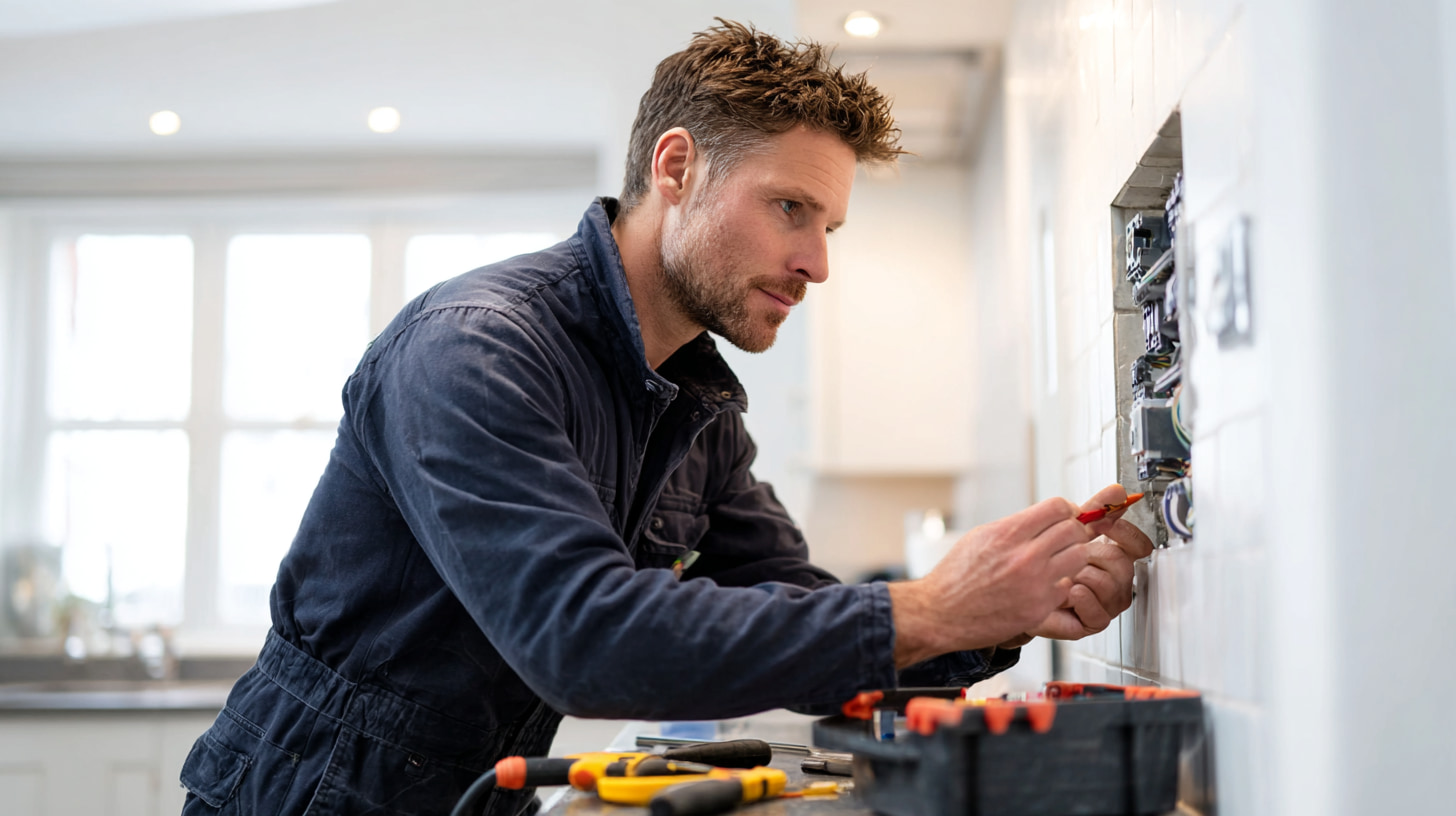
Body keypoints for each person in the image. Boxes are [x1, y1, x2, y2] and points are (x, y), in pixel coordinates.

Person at [179, 19, 1152, 816]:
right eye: (789, 209)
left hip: (476, 796)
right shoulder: (473, 349)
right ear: (675, 167)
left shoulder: (695, 406)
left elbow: (807, 628)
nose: (818, 262)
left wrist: (1008, 608)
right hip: (303, 797)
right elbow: (582, 640)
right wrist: (934, 603)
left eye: (828, 226)